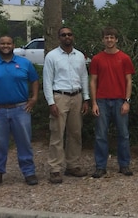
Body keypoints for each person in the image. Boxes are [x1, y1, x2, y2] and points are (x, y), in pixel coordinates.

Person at [0, 35, 39, 188]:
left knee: (24, 143)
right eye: (3, 43)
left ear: (13, 45)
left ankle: (29, 172)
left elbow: (34, 80)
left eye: (8, 43)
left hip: (21, 109)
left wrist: (34, 97)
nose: (5, 46)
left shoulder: (24, 63)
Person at [43, 27, 90, 184]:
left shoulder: (79, 56)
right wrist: (51, 102)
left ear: (73, 36)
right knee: (57, 134)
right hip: (60, 97)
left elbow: (84, 77)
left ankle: (73, 165)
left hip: (76, 97)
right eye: (63, 35)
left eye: (69, 34)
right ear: (59, 38)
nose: (67, 37)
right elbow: (47, 81)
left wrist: (86, 98)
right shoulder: (52, 56)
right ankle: (55, 169)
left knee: (75, 133)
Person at [89, 27, 135, 178]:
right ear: (103, 40)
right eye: (106, 37)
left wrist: (127, 101)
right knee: (101, 135)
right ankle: (100, 166)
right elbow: (93, 81)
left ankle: (124, 164)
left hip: (120, 101)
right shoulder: (97, 59)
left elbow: (129, 81)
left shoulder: (124, 58)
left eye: (112, 37)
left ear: (116, 40)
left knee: (124, 134)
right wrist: (94, 103)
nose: (109, 40)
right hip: (101, 101)